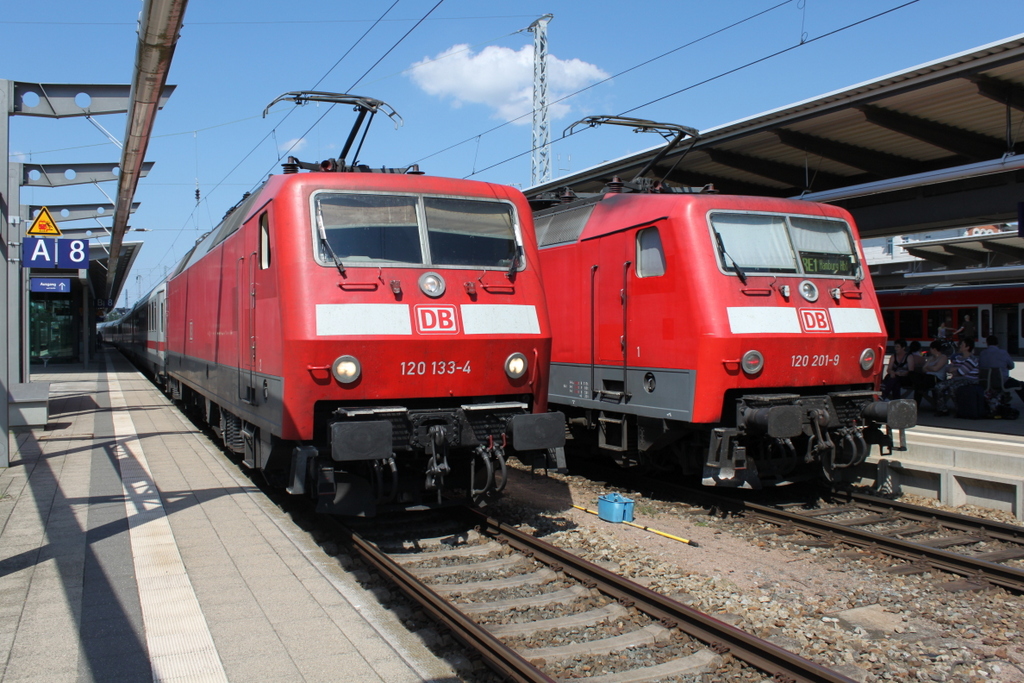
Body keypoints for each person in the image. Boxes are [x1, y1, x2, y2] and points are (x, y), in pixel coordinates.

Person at [933, 337, 980, 416]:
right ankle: (942, 409)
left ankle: (959, 410)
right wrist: (956, 369)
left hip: (969, 380)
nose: (960, 346)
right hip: (956, 379)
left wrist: (955, 369)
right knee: (939, 386)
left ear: (967, 347)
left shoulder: (973, 359)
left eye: (962, 345)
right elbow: (948, 368)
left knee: (953, 388)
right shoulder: (958, 358)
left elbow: (961, 372)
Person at [913, 340, 950, 408]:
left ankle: (921, 395)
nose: (930, 350)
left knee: (924, 382)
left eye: (931, 349)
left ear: (934, 349)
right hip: (927, 376)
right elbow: (923, 369)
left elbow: (936, 369)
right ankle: (915, 405)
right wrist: (931, 367)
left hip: (937, 378)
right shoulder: (931, 358)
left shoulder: (943, 357)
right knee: (917, 377)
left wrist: (928, 367)